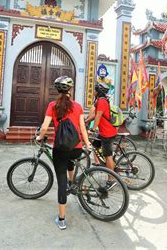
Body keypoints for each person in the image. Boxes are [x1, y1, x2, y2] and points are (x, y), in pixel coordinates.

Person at [36, 76, 92, 230]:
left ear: (57, 90)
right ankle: (72, 183)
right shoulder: (78, 106)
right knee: (70, 162)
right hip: (77, 147)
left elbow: (45, 126)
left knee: (61, 180)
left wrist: (40, 136)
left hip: (60, 148)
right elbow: (82, 128)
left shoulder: (53, 106)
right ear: (70, 90)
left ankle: (61, 219)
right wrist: (87, 144)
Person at [88, 82, 118, 186]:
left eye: (95, 90)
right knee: (94, 146)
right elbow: (96, 114)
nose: (93, 91)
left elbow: (98, 117)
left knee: (108, 155)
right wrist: (87, 121)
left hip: (107, 133)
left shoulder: (101, 101)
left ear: (98, 92)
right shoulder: (102, 101)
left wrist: (92, 128)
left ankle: (111, 179)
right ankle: (100, 164)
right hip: (103, 132)